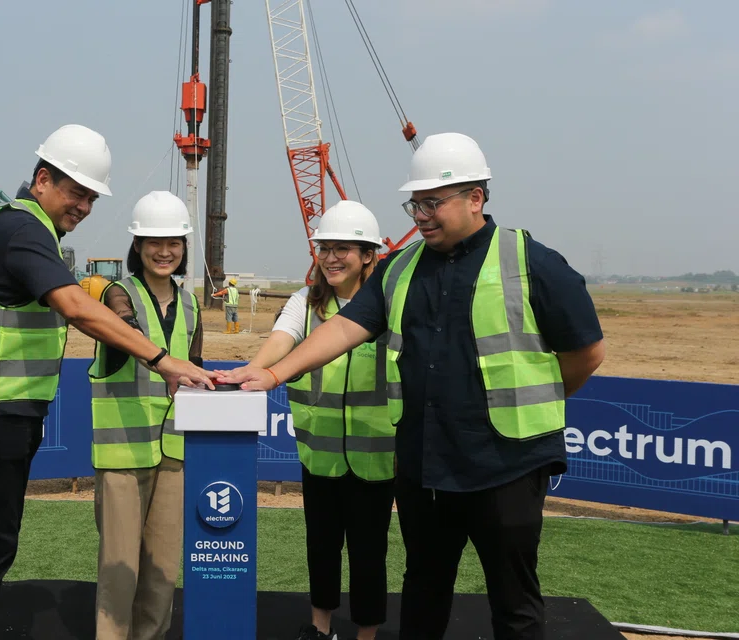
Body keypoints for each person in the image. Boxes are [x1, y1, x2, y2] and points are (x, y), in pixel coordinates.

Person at [219, 132, 606, 640]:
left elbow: (586, 354)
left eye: (432, 202)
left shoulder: (530, 261)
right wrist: (272, 372)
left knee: (514, 602)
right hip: (426, 467)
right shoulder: (400, 269)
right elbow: (344, 327)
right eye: (415, 203)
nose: (420, 214)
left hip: (508, 465)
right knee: (424, 590)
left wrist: (526, 413)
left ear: (475, 197)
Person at [0, 127, 215, 640]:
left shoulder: (16, 226)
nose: (84, 206)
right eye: (76, 192)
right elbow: (71, 304)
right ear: (42, 180)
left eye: (91, 196)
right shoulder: (24, 228)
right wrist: (162, 359)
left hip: (2, 407)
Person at [228, 201, 396, 640]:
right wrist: (258, 370)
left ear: (368, 256)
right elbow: (282, 338)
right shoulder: (306, 302)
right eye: (325, 248)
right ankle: (320, 628)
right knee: (321, 546)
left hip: (376, 456)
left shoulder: (389, 304)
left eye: (344, 248)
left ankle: (366, 633)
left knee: (368, 551)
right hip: (319, 453)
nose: (331, 257)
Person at [89, 190, 201, 640]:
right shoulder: (120, 293)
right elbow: (120, 319)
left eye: (173, 241)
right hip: (122, 455)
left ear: (184, 246)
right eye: (153, 241)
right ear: (136, 246)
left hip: (174, 453)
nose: (164, 250)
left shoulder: (191, 306)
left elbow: (193, 373)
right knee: (120, 569)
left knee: (161, 568)